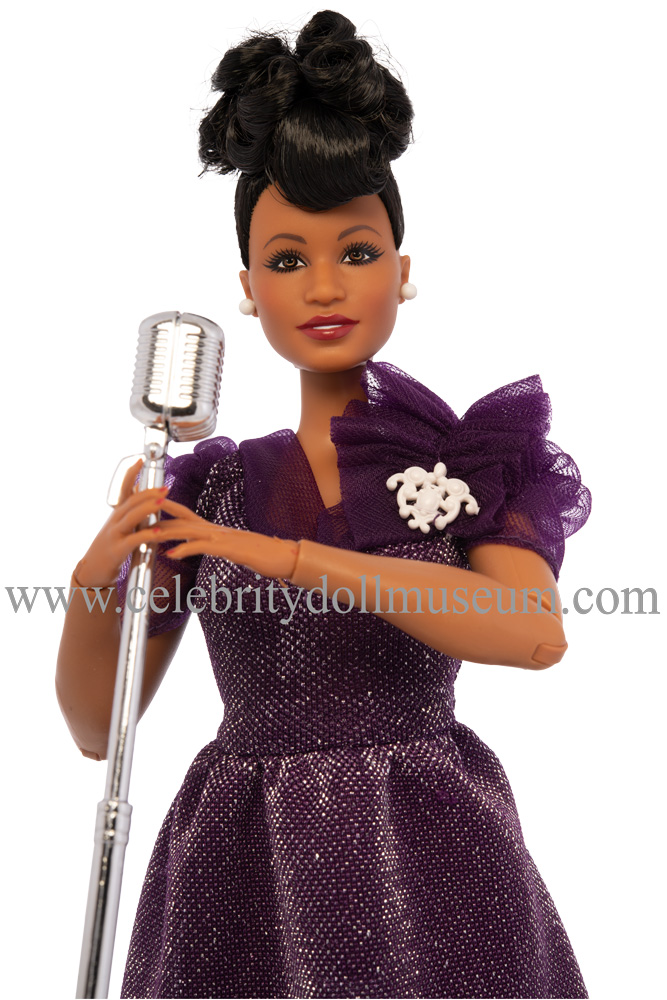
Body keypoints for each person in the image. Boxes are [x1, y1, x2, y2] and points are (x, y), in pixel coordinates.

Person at [56, 11, 591, 998]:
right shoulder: (209, 491)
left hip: (431, 847)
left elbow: (531, 632)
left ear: (401, 270)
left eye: (356, 251)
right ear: (248, 289)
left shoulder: (468, 458)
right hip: (243, 858)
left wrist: (292, 558)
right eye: (287, 260)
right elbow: (100, 729)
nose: (323, 287)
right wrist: (96, 581)